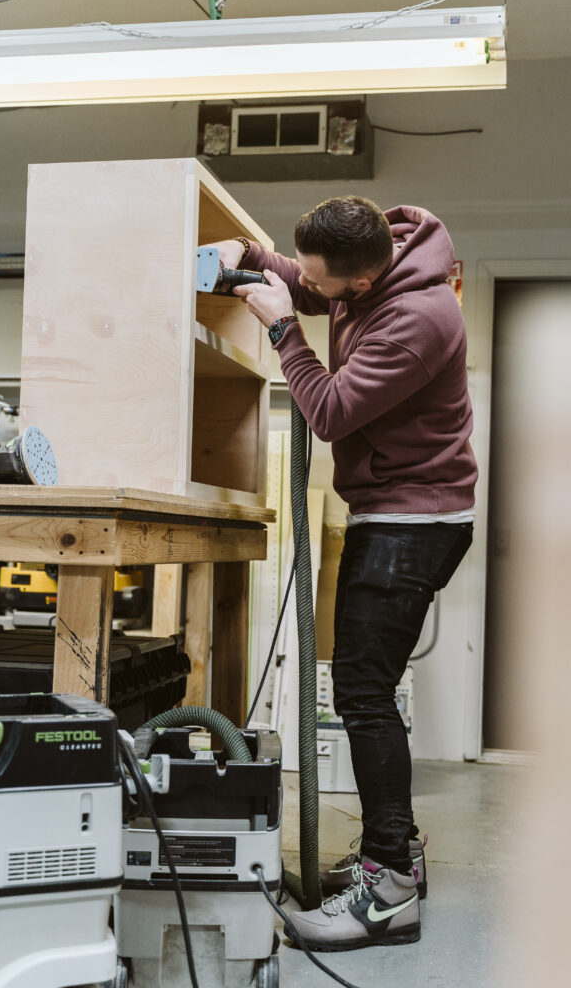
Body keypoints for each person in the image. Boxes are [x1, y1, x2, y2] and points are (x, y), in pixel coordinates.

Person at [211, 196, 477, 952]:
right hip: (393, 511)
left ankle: (389, 890)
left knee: (362, 694)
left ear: (362, 283)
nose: (315, 291)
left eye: (329, 290)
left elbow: (327, 410)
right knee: (367, 690)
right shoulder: (371, 264)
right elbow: (307, 277)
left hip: (410, 523)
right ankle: (400, 857)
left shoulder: (421, 320)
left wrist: (282, 328)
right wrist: (255, 257)